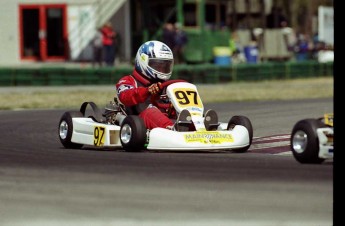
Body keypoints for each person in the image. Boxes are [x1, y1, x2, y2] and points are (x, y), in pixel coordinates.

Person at [115, 40, 218, 131]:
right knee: (151, 111)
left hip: (165, 118)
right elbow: (125, 96)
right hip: (139, 121)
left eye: (165, 66)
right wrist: (147, 91)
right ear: (143, 61)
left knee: (182, 110)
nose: (162, 70)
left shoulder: (166, 85)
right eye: (157, 66)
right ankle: (171, 129)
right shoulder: (127, 80)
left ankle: (199, 126)